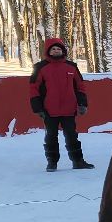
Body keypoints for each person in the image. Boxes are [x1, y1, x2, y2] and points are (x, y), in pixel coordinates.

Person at [30, 38, 93, 171]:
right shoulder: (40, 68)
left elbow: (80, 86)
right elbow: (33, 88)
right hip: (49, 110)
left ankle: (78, 161)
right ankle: (52, 162)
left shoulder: (72, 67)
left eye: (59, 49)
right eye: (53, 49)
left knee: (72, 136)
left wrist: (82, 103)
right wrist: (37, 108)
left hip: (69, 109)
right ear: (48, 51)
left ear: (63, 50)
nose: (56, 51)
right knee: (51, 137)